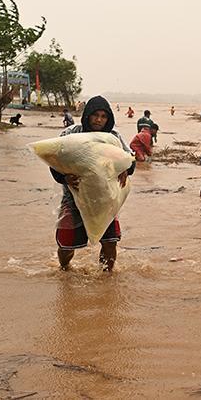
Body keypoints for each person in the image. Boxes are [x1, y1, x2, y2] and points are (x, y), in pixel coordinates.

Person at [49, 95, 136, 271]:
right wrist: (64, 178)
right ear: (87, 115)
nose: (99, 120)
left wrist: (126, 168)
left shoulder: (113, 137)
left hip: (105, 199)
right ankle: (64, 271)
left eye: (104, 116)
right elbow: (54, 161)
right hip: (73, 198)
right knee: (66, 246)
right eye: (95, 115)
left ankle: (107, 281)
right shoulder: (70, 134)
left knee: (110, 242)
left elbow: (130, 159)